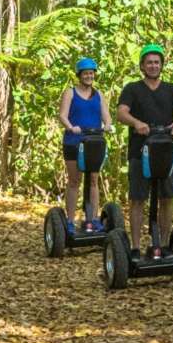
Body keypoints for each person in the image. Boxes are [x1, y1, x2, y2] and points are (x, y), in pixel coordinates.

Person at [117, 43, 173, 257]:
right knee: (138, 198)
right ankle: (134, 247)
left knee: (167, 197)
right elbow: (121, 113)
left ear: (162, 65)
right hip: (139, 152)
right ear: (142, 65)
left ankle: (163, 244)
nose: (153, 66)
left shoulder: (171, 89)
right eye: (149, 62)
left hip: (165, 153)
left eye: (156, 62)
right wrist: (136, 123)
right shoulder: (132, 88)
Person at [59, 57, 113, 231]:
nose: (89, 76)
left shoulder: (99, 95)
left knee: (94, 180)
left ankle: (92, 219)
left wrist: (108, 125)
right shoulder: (70, 92)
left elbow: (106, 115)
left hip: (94, 142)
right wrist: (70, 127)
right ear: (79, 75)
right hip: (74, 142)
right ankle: (69, 221)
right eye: (85, 73)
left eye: (91, 73)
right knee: (74, 180)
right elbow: (63, 115)